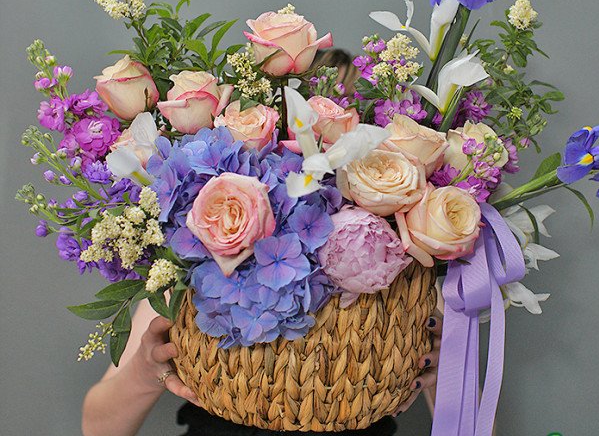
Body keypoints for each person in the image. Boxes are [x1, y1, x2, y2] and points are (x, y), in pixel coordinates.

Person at [82, 49, 443, 436]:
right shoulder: (203, 264)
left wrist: (442, 372)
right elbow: (99, 428)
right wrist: (143, 371)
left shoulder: (399, 274)